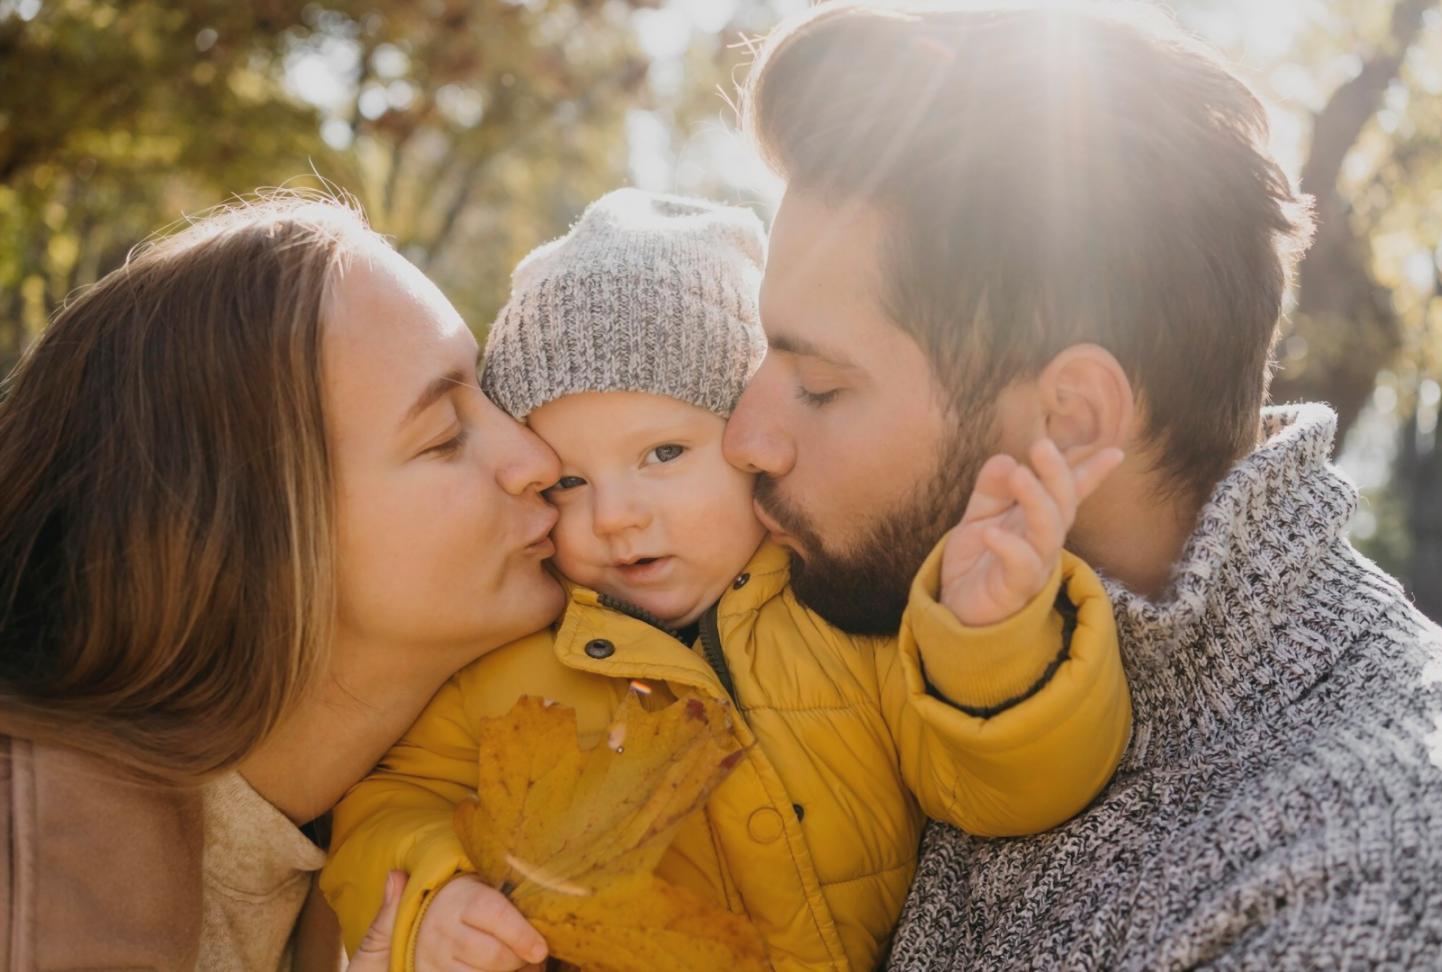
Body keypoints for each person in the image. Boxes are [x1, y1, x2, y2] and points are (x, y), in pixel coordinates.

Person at [726, 2, 1442, 968]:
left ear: (1070, 420)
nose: (743, 438)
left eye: (820, 385)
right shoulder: (851, 635)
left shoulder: (1370, 878)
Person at [321, 188, 1131, 972]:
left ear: (751, 440)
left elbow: (1010, 795)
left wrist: (991, 644)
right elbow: (383, 809)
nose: (615, 515)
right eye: (569, 481)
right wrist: (434, 898)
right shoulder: (506, 663)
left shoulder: (840, 613)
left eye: (663, 454)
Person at [0, 192, 565, 970]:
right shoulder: (23, 881)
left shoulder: (417, 843)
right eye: (444, 437)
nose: (539, 460)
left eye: (492, 397)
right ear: (245, 534)